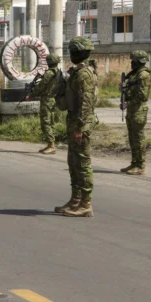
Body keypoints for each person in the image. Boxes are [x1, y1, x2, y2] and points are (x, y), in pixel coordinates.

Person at [55, 36, 98, 218]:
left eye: (73, 51)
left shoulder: (84, 75)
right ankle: (75, 200)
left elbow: (86, 103)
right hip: (74, 121)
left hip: (81, 123)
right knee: (73, 163)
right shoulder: (76, 72)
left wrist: (80, 128)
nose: (71, 54)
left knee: (82, 164)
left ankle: (86, 203)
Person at [120, 50, 151, 176]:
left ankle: (140, 165)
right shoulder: (134, 74)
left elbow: (142, 96)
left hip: (138, 110)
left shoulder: (143, 75)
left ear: (139, 61)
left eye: (134, 60)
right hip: (132, 110)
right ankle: (134, 163)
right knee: (132, 138)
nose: (132, 63)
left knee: (138, 138)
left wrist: (128, 103)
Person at [29, 53, 61, 155]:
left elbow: (41, 86)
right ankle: (50, 144)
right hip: (52, 99)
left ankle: (51, 145)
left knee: (46, 122)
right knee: (50, 122)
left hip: (47, 100)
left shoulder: (49, 73)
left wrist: (32, 94)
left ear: (49, 62)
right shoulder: (58, 72)